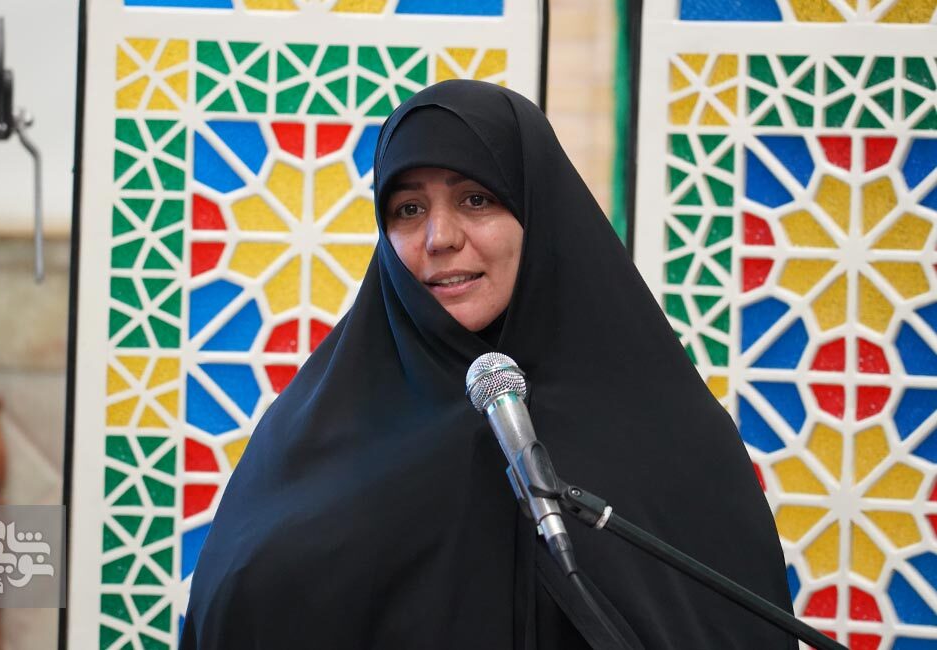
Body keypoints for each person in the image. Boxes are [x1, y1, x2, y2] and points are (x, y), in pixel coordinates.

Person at [180, 79, 796, 649]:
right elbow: (236, 603)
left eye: (476, 199)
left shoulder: (672, 435)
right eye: (408, 209)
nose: (439, 237)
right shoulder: (322, 434)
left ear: (538, 212)